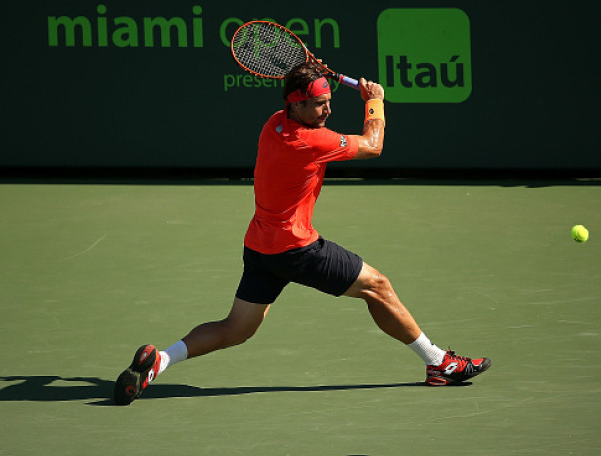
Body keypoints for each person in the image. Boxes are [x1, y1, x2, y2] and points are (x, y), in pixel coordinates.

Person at [114, 61, 490, 406]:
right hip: (297, 249)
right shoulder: (311, 142)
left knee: (236, 329)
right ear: (295, 105)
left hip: (261, 247)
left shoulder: (274, 122)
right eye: (318, 105)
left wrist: (311, 74)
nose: (327, 110)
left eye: (328, 101)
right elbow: (373, 146)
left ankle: (158, 362)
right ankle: (440, 364)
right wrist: (374, 102)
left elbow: (308, 100)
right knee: (378, 286)